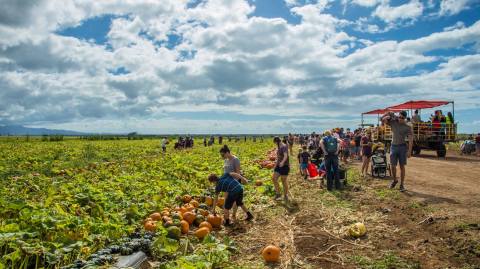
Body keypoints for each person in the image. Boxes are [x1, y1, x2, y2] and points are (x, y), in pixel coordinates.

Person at [381, 111, 413, 192]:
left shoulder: (407, 127)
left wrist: (409, 151)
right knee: (392, 165)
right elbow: (382, 120)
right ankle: (395, 180)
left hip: (402, 147)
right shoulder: (393, 122)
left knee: (402, 166)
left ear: (405, 118)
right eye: (399, 117)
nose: (400, 119)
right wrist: (387, 115)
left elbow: (410, 139)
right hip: (393, 146)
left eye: (402, 118)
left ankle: (402, 184)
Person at [220, 145, 247, 222]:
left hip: (234, 183)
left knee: (235, 200)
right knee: (226, 199)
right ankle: (226, 216)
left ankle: (234, 215)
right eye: (221, 155)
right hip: (227, 183)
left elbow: (237, 172)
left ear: (228, 152)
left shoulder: (235, 160)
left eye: (223, 154)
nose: (222, 156)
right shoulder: (226, 160)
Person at [272, 136, 290, 201]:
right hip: (278, 166)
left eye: (275, 143)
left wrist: (282, 162)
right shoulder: (279, 147)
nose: (275, 144)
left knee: (283, 181)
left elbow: (286, 156)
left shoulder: (284, 147)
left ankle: (285, 195)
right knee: (274, 179)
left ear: (277, 142)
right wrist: (275, 165)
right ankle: (278, 193)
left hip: (285, 166)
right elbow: (278, 157)